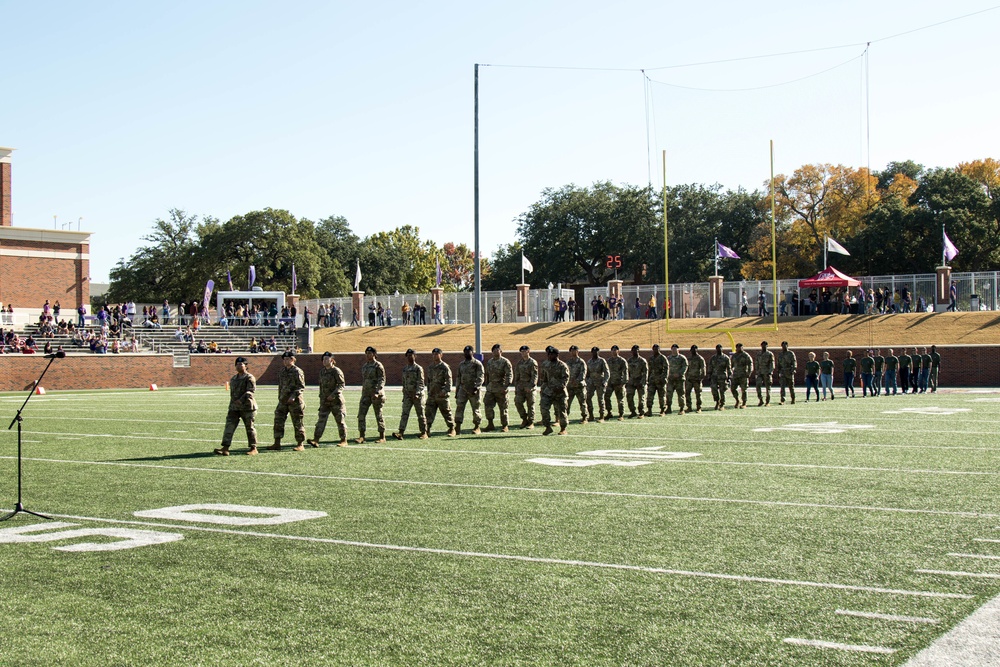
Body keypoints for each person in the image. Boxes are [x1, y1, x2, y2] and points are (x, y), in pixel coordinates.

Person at [214, 356, 259, 456]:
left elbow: (251, 391)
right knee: (229, 427)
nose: (239, 366)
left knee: (250, 427)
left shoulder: (249, 377)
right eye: (237, 364)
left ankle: (253, 448)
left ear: (246, 366)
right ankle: (225, 448)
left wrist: (241, 400)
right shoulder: (234, 378)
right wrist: (233, 404)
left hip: (247, 407)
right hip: (234, 408)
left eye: (241, 364)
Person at [308, 352, 348, 447]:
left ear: (332, 360)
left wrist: (333, 395)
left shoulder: (336, 371)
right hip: (325, 401)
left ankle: (344, 440)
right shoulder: (322, 371)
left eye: (327, 359)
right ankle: (316, 439)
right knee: (321, 420)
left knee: (340, 421)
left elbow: (341, 385)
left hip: (336, 401)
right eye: (323, 359)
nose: (324, 361)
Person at [270, 350, 306, 451]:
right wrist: (280, 397)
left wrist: (293, 396)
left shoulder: (297, 371)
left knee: (297, 422)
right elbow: (281, 386)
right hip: (283, 401)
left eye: (288, 359)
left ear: (293, 359)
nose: (286, 361)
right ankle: (277, 443)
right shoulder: (282, 371)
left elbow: (301, 386)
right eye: (284, 359)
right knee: (278, 421)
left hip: (295, 402)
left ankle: (300, 443)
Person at [393, 348, 428, 440]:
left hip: (417, 396)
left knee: (420, 414)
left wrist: (417, 393)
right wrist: (404, 393)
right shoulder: (405, 369)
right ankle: (401, 432)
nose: (409, 357)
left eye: (411, 355)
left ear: (415, 356)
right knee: (404, 413)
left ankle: (424, 433)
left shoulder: (418, 368)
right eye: (408, 356)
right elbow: (404, 382)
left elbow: (421, 382)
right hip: (408, 395)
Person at [356, 346, 386, 443]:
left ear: (374, 354)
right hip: (366, 394)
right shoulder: (365, 366)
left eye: (370, 353)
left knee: (378, 415)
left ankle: (382, 436)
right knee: (361, 414)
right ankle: (362, 436)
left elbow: (382, 379)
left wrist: (378, 392)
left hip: (376, 394)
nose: (368, 355)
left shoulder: (378, 365)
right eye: (366, 353)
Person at [425, 347, 456, 437]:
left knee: (446, 412)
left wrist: (445, 391)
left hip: (441, 395)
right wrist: (429, 391)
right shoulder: (430, 367)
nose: (435, 356)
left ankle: (451, 429)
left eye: (437, 354)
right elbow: (429, 381)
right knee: (428, 413)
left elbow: (449, 381)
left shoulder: (445, 367)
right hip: (432, 394)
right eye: (433, 354)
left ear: (441, 355)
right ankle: (427, 430)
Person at [539, 346, 570, 435]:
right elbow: (544, 378)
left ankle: (563, 428)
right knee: (544, 408)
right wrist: (543, 388)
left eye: (552, 354)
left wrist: (559, 387)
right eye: (549, 354)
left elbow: (565, 378)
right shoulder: (545, 364)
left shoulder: (562, 365)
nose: (549, 356)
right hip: (548, 392)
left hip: (560, 393)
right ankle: (548, 427)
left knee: (562, 411)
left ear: (557, 355)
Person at [454, 345, 484, 435]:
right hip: (463, 390)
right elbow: (458, 377)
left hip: (474, 390)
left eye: (469, 351)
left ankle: (477, 427)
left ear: (472, 352)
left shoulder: (477, 364)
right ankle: (458, 427)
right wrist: (457, 390)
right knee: (459, 408)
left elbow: (481, 376)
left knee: (476, 409)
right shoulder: (461, 364)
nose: (467, 353)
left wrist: (476, 387)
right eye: (465, 352)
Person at [483, 343, 513, 431]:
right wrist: (487, 385)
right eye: (494, 350)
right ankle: (490, 424)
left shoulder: (505, 362)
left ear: (501, 351)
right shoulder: (490, 362)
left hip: (501, 389)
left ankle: (505, 426)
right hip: (491, 389)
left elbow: (509, 375)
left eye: (498, 350)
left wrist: (505, 387)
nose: (496, 351)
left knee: (503, 408)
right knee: (488, 406)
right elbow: (487, 375)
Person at [514, 345, 539, 429]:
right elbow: (517, 375)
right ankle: (524, 419)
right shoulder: (519, 363)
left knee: (530, 405)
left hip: (530, 387)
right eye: (522, 351)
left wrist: (530, 386)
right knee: (518, 402)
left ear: (528, 351)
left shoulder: (532, 362)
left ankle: (531, 422)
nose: (523, 353)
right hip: (521, 387)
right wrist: (516, 387)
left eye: (525, 351)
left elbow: (535, 376)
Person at [604, 345, 629, 420]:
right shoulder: (609, 360)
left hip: (619, 383)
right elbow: (606, 371)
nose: (614, 351)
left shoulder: (622, 361)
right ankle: (609, 412)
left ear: (618, 351)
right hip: (610, 383)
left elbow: (626, 372)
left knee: (620, 399)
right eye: (612, 350)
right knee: (606, 397)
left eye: (615, 350)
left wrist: (623, 383)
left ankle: (621, 415)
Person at [565, 345, 588, 423]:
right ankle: (565, 417)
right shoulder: (568, 362)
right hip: (570, 386)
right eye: (571, 351)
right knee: (567, 402)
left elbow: (583, 373)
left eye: (575, 350)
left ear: (578, 351)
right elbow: (566, 373)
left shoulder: (581, 362)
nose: (573, 352)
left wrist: (576, 381)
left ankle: (584, 418)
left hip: (579, 386)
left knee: (582, 402)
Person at [586, 346, 609, 422]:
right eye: (593, 352)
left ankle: (601, 416)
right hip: (591, 383)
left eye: (596, 352)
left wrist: (605, 381)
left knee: (600, 399)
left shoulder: (602, 361)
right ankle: (591, 415)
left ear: (599, 352)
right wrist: (587, 381)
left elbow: (607, 372)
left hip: (600, 382)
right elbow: (587, 373)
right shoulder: (589, 362)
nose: (595, 353)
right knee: (588, 398)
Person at [645, 344, 668, 416]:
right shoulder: (651, 358)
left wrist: (663, 378)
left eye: (657, 349)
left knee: (661, 396)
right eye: (654, 349)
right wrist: (648, 379)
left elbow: (666, 369)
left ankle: (662, 410)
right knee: (650, 396)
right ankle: (649, 410)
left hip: (660, 380)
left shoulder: (662, 358)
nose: (656, 350)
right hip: (652, 380)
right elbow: (649, 369)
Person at [626, 345, 648, 418]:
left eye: (636, 350)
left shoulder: (642, 361)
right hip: (631, 382)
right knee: (629, 397)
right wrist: (627, 381)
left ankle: (641, 412)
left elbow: (645, 372)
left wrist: (643, 382)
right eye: (633, 350)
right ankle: (633, 411)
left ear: (638, 351)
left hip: (640, 382)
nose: (635, 352)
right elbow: (627, 372)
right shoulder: (629, 360)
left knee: (641, 398)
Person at [665, 344, 688, 414]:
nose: (674, 350)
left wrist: (679, 374)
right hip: (670, 379)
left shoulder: (682, 358)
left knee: (681, 394)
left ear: (678, 350)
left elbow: (685, 366)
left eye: (676, 349)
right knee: (669, 394)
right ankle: (668, 408)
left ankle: (681, 409)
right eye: (673, 349)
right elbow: (666, 367)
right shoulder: (668, 358)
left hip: (679, 379)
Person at [709, 344, 732, 410]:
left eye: (720, 348)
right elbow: (710, 367)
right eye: (717, 348)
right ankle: (717, 402)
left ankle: (722, 404)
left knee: (722, 391)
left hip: (722, 376)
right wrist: (709, 375)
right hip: (714, 377)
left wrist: (729, 376)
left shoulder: (726, 358)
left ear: (722, 349)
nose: (719, 350)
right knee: (714, 389)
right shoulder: (713, 358)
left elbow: (729, 368)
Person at [730, 343, 753, 408]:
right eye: (738, 347)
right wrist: (730, 372)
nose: (739, 349)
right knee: (733, 389)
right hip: (735, 375)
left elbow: (750, 364)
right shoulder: (734, 356)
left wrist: (749, 373)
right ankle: (737, 400)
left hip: (743, 375)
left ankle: (744, 403)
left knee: (744, 389)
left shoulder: (746, 355)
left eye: (741, 347)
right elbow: (731, 365)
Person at [685, 345, 706, 413]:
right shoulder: (689, 358)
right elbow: (687, 368)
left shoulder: (700, 359)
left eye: (695, 349)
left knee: (698, 394)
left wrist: (701, 378)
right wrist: (686, 377)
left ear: (697, 350)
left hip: (697, 379)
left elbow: (703, 369)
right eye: (692, 349)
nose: (693, 351)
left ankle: (698, 408)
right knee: (687, 393)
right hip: (689, 379)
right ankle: (689, 407)